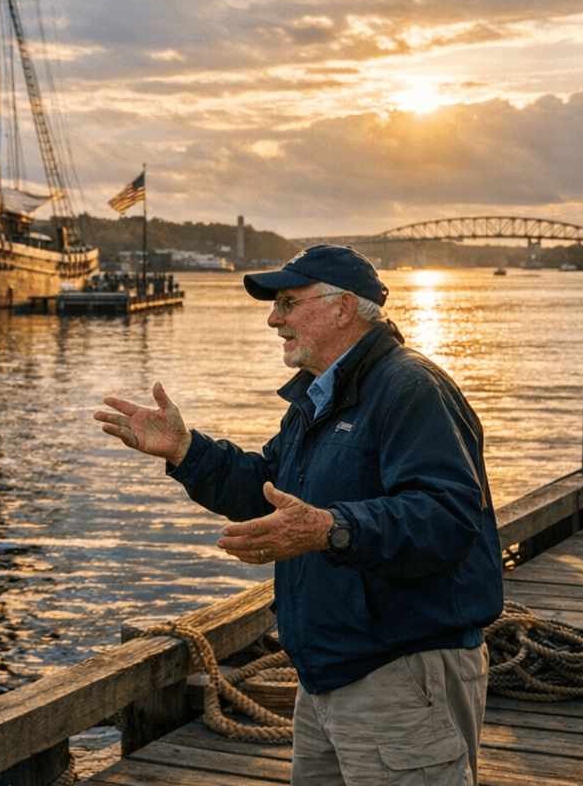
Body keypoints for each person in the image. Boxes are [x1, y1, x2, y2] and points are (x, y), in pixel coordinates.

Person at [95, 244, 502, 786]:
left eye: (288, 302)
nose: (273, 318)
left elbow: (446, 517)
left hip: (400, 673)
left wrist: (329, 528)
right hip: (326, 677)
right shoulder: (319, 398)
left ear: (342, 307)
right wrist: (185, 451)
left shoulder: (409, 387)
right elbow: (268, 486)